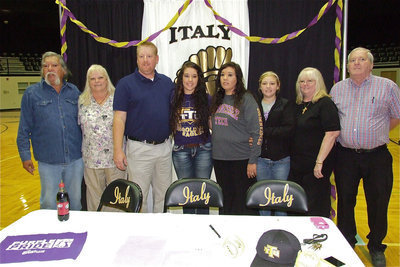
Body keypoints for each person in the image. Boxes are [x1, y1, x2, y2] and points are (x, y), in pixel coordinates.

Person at [330, 47, 400, 267]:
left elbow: (396, 117)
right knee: (345, 202)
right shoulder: (337, 89)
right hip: (345, 156)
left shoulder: (388, 87)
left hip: (377, 157)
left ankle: (376, 246)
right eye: (352, 60)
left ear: (371, 64)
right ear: (347, 65)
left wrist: (376, 135)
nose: (356, 63)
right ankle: (347, 242)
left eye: (361, 59)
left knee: (378, 203)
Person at [16, 51, 83, 210]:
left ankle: (76, 233)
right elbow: (24, 127)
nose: (49, 69)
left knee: (75, 202)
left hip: (75, 159)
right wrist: (25, 156)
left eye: (54, 65)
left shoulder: (75, 92)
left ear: (63, 70)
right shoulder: (31, 94)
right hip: (48, 161)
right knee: (48, 202)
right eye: (45, 66)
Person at [113, 41, 174, 213]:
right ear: (137, 60)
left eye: (149, 56)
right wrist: (118, 150)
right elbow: (119, 119)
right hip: (139, 149)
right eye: (141, 56)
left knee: (164, 195)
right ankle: (142, 236)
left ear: (157, 59)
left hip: (164, 148)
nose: (145, 60)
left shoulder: (167, 83)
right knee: (139, 196)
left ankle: (162, 233)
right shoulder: (125, 84)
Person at [210, 62, 263, 215]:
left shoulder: (246, 99)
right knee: (226, 202)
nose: (225, 78)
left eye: (230, 75)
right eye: (222, 75)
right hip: (220, 159)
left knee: (244, 204)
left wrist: (253, 160)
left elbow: (257, 131)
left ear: (237, 78)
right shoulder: (217, 98)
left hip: (242, 159)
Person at [289, 67, 340, 218]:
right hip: (297, 165)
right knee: (297, 205)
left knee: (315, 206)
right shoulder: (298, 105)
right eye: (302, 81)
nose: (305, 84)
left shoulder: (325, 103)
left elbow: (332, 133)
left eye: (310, 81)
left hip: (316, 166)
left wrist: (319, 162)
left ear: (318, 83)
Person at [78, 64, 126, 211]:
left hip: (115, 158)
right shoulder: (82, 101)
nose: (97, 81)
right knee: (94, 198)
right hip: (91, 158)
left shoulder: (118, 98)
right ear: (88, 81)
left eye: (100, 77)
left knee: (117, 197)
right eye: (92, 78)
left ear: (107, 79)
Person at [255, 71, 295, 216]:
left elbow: (288, 130)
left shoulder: (285, 104)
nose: (268, 87)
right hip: (260, 160)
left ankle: (281, 232)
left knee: (280, 201)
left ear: (278, 86)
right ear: (260, 86)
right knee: (263, 200)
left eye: (272, 83)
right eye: (264, 83)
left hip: (281, 160)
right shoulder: (254, 104)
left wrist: (262, 131)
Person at [170, 61, 212, 179]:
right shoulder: (173, 97)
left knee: (202, 189)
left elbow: (211, 123)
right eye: (187, 76)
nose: (190, 80)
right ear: (181, 77)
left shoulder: (207, 98)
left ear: (199, 79)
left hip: (204, 149)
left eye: (194, 76)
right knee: (186, 190)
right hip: (181, 150)